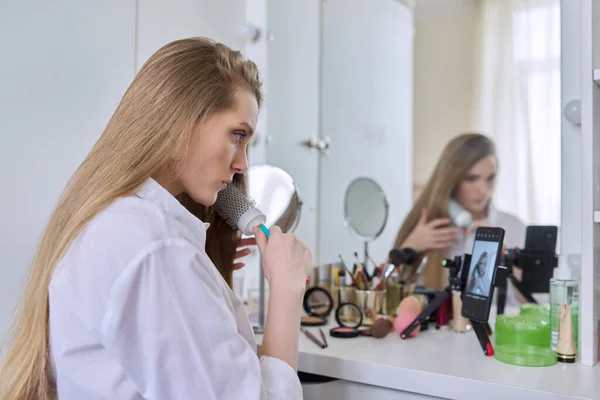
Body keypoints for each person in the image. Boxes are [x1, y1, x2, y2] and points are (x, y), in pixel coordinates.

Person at [0, 37, 312, 400]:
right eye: (237, 135)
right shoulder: (154, 248)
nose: (242, 163)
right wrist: (287, 293)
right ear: (182, 120)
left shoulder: (122, 224)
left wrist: (207, 279)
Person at [393, 133, 526, 302]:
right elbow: (391, 300)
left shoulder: (513, 227)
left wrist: (508, 259)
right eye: (472, 179)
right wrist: (409, 248)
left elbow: (536, 307)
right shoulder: (429, 228)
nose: (484, 190)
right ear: (452, 180)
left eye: (490, 178)